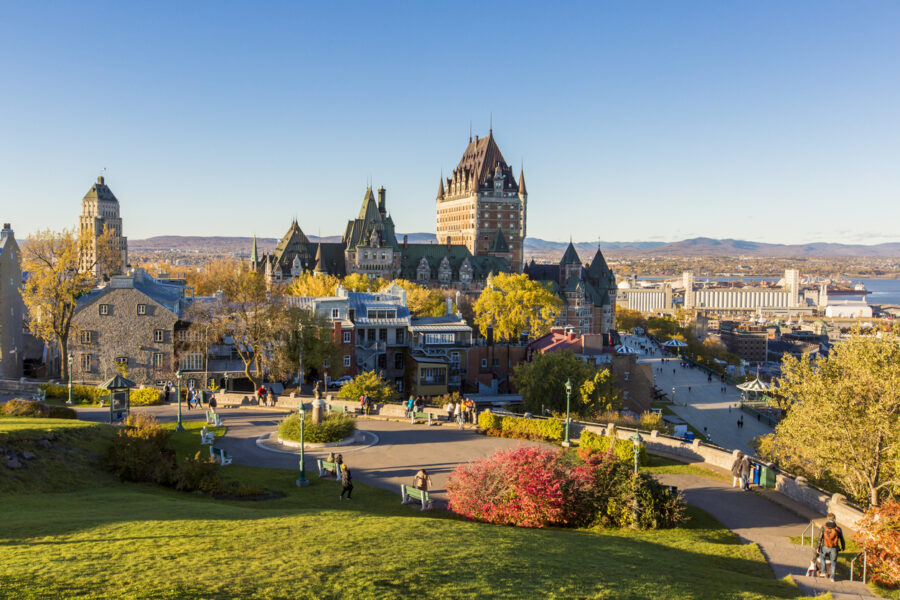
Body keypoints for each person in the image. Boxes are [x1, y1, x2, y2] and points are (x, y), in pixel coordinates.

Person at [816, 513, 845, 581]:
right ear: (834, 519)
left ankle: (823, 571)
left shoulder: (824, 528)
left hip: (825, 546)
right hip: (834, 548)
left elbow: (820, 538)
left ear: (827, 518)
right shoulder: (838, 529)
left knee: (822, 556)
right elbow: (842, 539)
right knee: (833, 562)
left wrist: (818, 547)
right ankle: (832, 577)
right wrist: (843, 547)